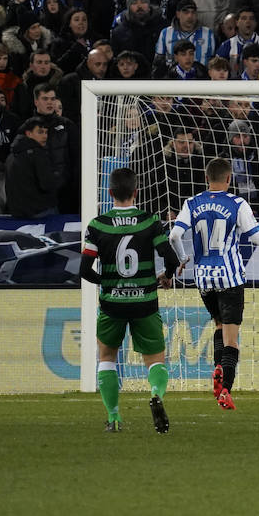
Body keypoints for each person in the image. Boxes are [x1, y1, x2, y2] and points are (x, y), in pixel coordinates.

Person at [79, 167, 179, 433]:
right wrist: (166, 277)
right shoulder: (149, 221)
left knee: (107, 357)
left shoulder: (97, 225)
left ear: (110, 192)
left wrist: (109, 284)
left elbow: (85, 270)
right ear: (136, 193)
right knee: (156, 360)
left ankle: (114, 417)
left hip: (112, 304)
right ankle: (156, 393)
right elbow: (171, 258)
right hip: (145, 301)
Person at [171, 157, 259, 411]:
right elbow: (258, 241)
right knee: (231, 339)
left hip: (203, 277)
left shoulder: (192, 203)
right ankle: (226, 389)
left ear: (206, 178)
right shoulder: (237, 202)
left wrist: (183, 258)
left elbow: (174, 235)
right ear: (228, 179)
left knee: (219, 324)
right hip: (230, 277)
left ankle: (216, 368)